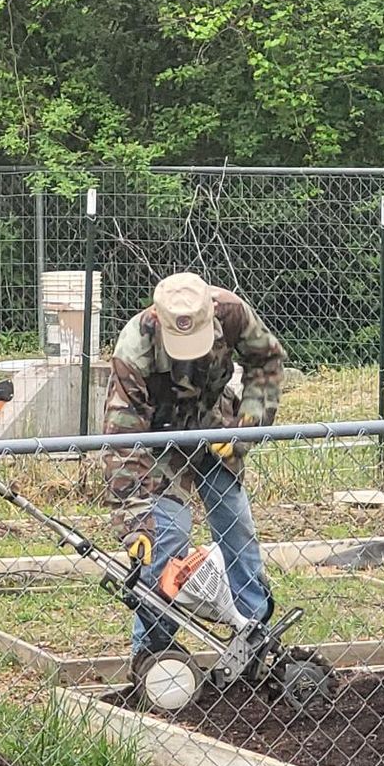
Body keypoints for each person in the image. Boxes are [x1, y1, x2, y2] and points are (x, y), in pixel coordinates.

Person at [104, 271, 286, 665]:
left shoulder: (233, 312)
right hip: (157, 445)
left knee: (236, 528)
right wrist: (134, 520)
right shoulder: (135, 346)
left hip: (217, 429)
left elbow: (267, 360)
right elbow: (121, 442)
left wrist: (246, 427)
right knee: (165, 539)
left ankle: (254, 634)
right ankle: (154, 654)